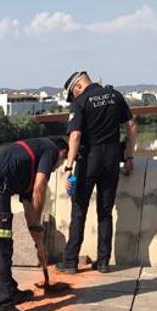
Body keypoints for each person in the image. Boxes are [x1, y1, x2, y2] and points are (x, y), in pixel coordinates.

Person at [0, 137, 69, 311]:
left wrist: (36, 235)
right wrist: (38, 223)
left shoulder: (28, 168)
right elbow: (40, 187)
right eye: (62, 161)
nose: (57, 166)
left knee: (4, 244)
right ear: (62, 152)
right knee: (1, 247)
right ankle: (3, 305)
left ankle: (10, 291)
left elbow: (28, 203)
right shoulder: (50, 149)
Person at [57, 72, 137, 274]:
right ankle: (103, 262)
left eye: (72, 94)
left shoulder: (81, 102)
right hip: (112, 159)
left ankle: (70, 262)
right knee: (105, 212)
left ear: (76, 87)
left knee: (79, 211)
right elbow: (131, 126)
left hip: (89, 159)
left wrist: (68, 166)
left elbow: (75, 136)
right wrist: (129, 156)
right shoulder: (115, 95)